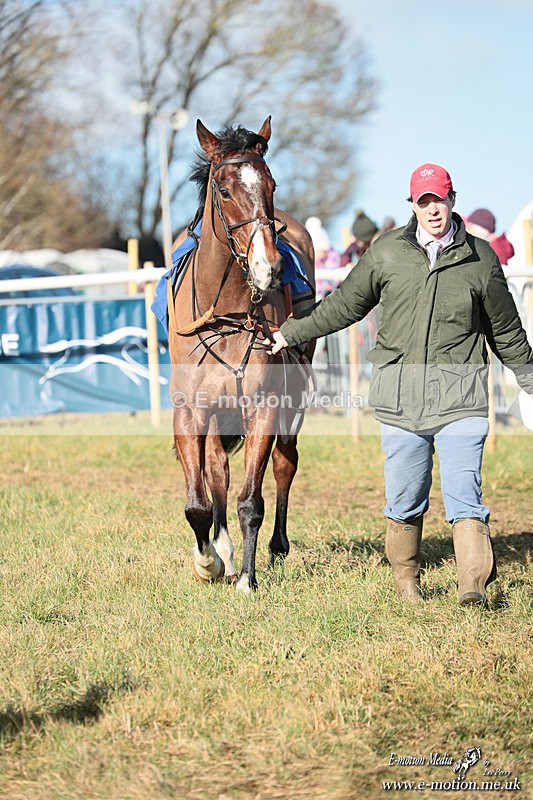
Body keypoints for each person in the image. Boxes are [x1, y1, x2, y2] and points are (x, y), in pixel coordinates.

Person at [270, 163, 533, 606]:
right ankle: (407, 583)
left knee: (465, 494)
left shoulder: (481, 259)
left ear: (453, 200)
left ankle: (472, 585)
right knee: (405, 499)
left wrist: (528, 378)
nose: (433, 209)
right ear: (412, 204)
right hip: (399, 400)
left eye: (440, 199)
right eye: (423, 200)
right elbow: (344, 307)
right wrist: (290, 333)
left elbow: (504, 329)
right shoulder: (387, 251)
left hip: (461, 399)